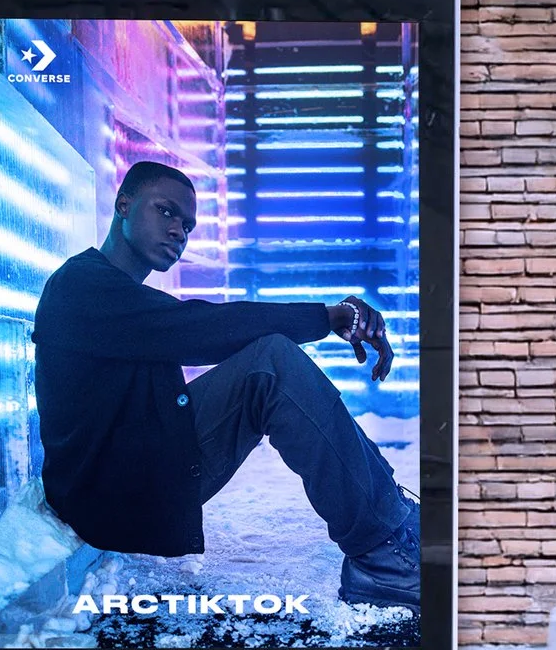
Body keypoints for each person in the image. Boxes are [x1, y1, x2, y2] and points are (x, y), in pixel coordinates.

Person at [31, 160, 420, 609]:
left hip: (136, 463)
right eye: (166, 211)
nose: (179, 231)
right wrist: (327, 316)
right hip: (110, 495)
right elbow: (206, 327)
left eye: (188, 224)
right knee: (271, 365)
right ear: (124, 204)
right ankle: (382, 561)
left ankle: (393, 519)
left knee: (268, 360)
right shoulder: (81, 286)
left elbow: (198, 327)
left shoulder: (110, 291)